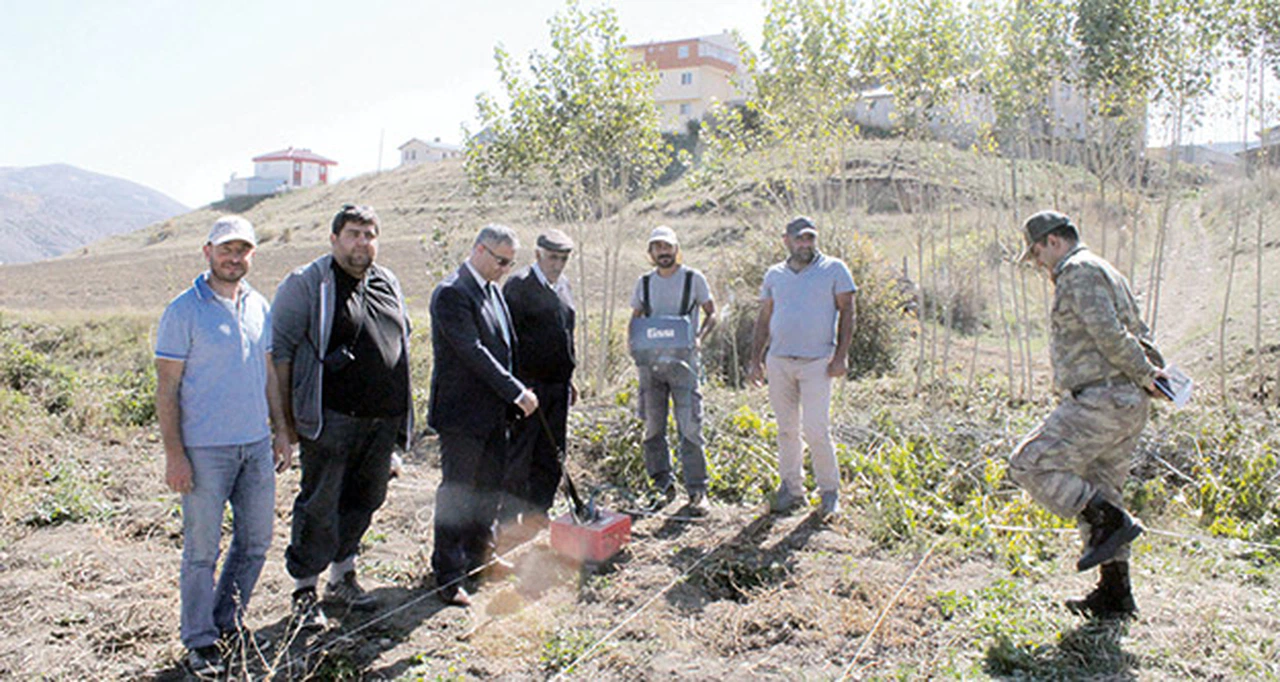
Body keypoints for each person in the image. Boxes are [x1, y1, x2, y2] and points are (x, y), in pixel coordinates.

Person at [1009, 210, 1164, 619]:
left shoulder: (1077, 271)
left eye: (1037, 253)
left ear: (1053, 241)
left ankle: (1110, 522)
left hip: (1102, 399)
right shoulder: (1107, 271)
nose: (1038, 262)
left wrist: (1147, 374)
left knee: (1029, 463)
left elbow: (1110, 334)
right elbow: (1139, 332)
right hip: (1125, 400)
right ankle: (1115, 593)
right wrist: (1151, 375)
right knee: (1105, 486)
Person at [155, 216, 291, 676]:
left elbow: (268, 373)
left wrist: (280, 430)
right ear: (208, 251)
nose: (234, 258)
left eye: (243, 250)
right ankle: (199, 640)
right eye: (226, 249)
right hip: (204, 452)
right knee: (201, 552)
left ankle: (227, 622)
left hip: (255, 447)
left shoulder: (258, 305)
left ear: (252, 255)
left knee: (256, 542)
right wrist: (175, 455)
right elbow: (167, 388)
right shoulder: (183, 311)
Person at [271, 204, 413, 628]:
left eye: (369, 235)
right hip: (330, 419)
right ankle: (304, 589)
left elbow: (401, 342)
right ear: (334, 238)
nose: (361, 243)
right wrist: (285, 424)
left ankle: (342, 576)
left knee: (367, 499)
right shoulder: (307, 283)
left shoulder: (387, 282)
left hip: (382, 420)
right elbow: (280, 354)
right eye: (353, 234)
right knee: (320, 504)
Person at [429, 224, 539, 607]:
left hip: (494, 414)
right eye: (501, 261)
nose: (505, 269)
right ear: (479, 250)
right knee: (458, 493)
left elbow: (505, 348)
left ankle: (480, 558)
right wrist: (516, 391)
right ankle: (448, 575)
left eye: (511, 263)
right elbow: (473, 352)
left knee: (489, 489)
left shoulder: (492, 290)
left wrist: (514, 392)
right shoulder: (452, 293)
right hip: (462, 415)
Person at [747, 216, 856, 520]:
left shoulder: (834, 269)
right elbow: (764, 318)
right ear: (787, 241)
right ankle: (791, 490)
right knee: (786, 429)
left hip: (818, 362)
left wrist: (841, 356)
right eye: (799, 239)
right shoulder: (775, 274)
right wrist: (755, 360)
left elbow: (848, 312)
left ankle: (829, 492)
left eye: (810, 238)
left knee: (816, 429)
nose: (805, 244)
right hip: (779, 361)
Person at [629, 225, 716, 509]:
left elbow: (712, 313)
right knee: (653, 429)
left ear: (676, 249)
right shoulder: (644, 283)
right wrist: (633, 345)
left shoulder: (694, 278)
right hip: (651, 367)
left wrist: (699, 338)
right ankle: (661, 486)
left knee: (690, 427)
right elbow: (636, 318)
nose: (663, 252)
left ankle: (697, 491)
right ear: (651, 252)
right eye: (657, 247)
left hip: (684, 365)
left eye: (667, 246)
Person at [500, 229, 577, 535]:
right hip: (527, 387)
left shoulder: (564, 286)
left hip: (558, 385)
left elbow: (566, 334)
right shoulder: (518, 286)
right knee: (520, 454)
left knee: (552, 451)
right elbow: (506, 340)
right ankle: (508, 520)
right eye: (552, 258)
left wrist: (570, 378)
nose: (557, 264)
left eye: (563, 259)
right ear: (537, 255)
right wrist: (515, 388)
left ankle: (537, 513)